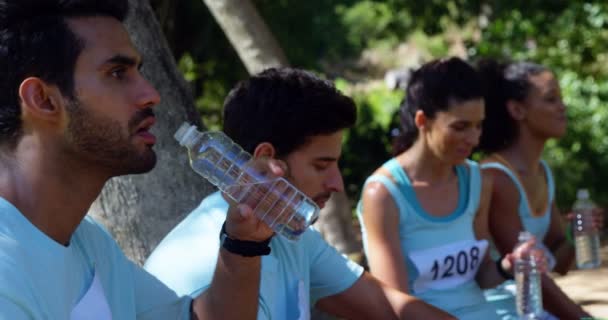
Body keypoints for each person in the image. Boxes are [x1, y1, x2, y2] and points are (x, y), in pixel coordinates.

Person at [0, 0, 269, 318]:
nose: (151, 94)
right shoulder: (7, 269)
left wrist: (243, 242)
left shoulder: (89, 244)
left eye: (137, 72)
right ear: (43, 100)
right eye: (116, 73)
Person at [145, 67, 456, 320]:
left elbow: (388, 307)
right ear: (267, 158)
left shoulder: (288, 227)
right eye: (322, 165)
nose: (336, 183)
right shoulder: (204, 267)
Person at [356, 57, 545, 319]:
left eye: (479, 125)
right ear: (423, 121)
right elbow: (395, 303)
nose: (474, 138)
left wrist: (507, 266)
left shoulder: (478, 180)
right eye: (460, 127)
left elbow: (482, 276)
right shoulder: (384, 193)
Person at [476, 59, 603, 319]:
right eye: (550, 99)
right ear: (517, 110)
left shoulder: (542, 172)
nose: (562, 107)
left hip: (534, 309)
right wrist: (583, 318)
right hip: (502, 311)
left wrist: (575, 233)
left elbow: (561, 263)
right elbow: (531, 276)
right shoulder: (496, 177)